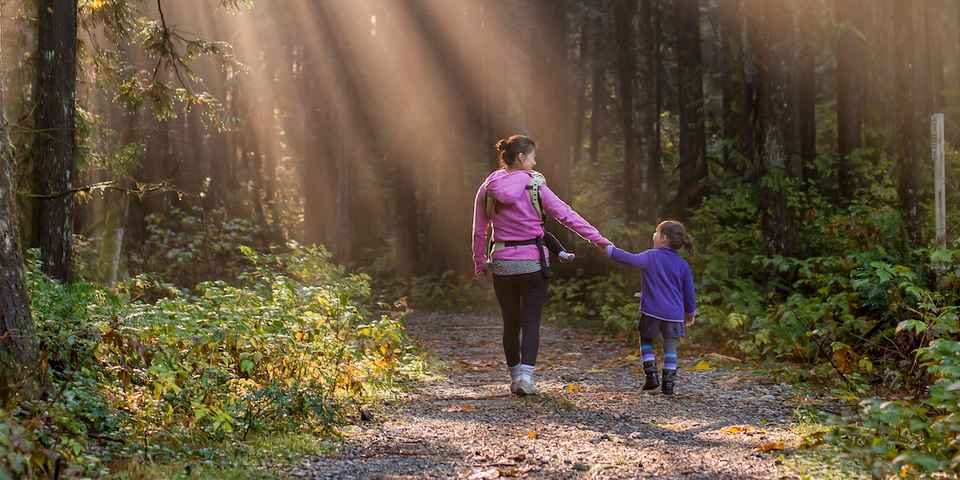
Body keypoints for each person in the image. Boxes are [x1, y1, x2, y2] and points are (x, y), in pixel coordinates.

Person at [472, 134, 611, 396]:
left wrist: (480, 262)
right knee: (531, 321)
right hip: (533, 263)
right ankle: (526, 377)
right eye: (533, 157)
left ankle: (514, 379)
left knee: (510, 322)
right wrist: (598, 239)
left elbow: (480, 230)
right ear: (522, 157)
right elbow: (566, 215)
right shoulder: (535, 186)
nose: (535, 163)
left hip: (502, 263)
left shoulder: (488, 187)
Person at [603, 220, 696, 395]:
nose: (653, 235)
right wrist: (690, 313)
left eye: (656, 231)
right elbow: (689, 292)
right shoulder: (683, 264)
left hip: (651, 311)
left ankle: (651, 375)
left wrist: (609, 250)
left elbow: (629, 259)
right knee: (671, 347)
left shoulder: (651, 256)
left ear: (664, 238)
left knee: (646, 340)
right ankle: (668, 385)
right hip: (674, 315)